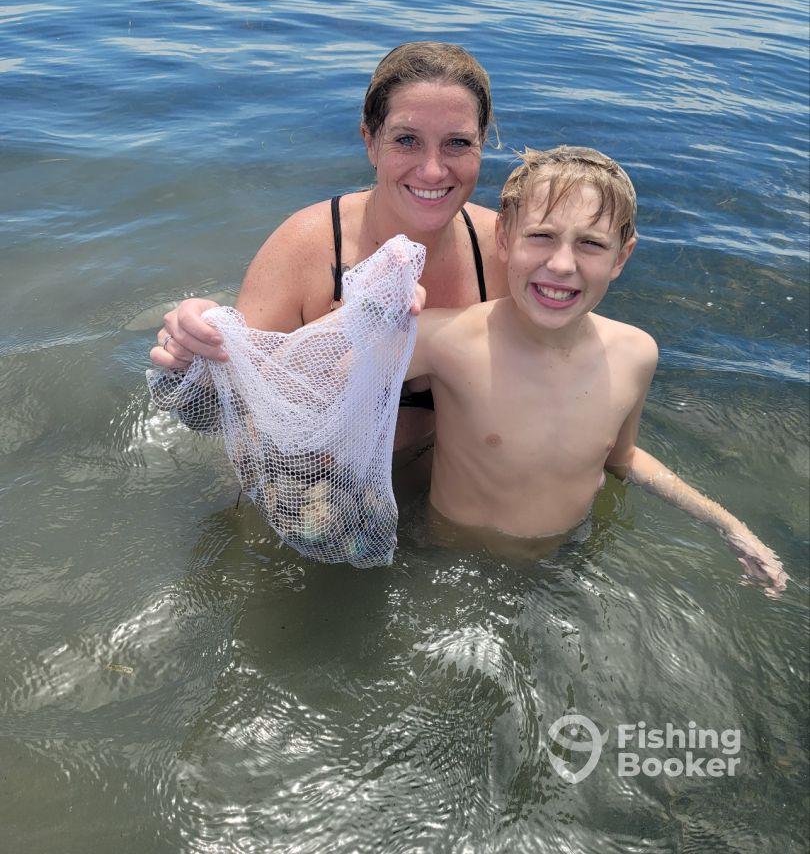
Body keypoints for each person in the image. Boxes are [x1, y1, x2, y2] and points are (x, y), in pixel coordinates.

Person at [403, 145, 787, 594]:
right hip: (451, 565)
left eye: (590, 244)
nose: (562, 264)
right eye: (541, 236)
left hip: (565, 562)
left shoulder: (635, 354)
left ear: (621, 257)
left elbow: (620, 459)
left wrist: (726, 523)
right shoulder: (444, 340)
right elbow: (314, 384)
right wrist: (369, 313)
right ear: (504, 237)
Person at [150, 42, 509, 482]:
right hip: (305, 494)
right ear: (371, 142)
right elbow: (211, 416)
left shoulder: (501, 249)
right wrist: (193, 355)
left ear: (482, 145)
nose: (433, 171)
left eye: (457, 143)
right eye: (406, 140)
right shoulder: (306, 247)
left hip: (441, 498)